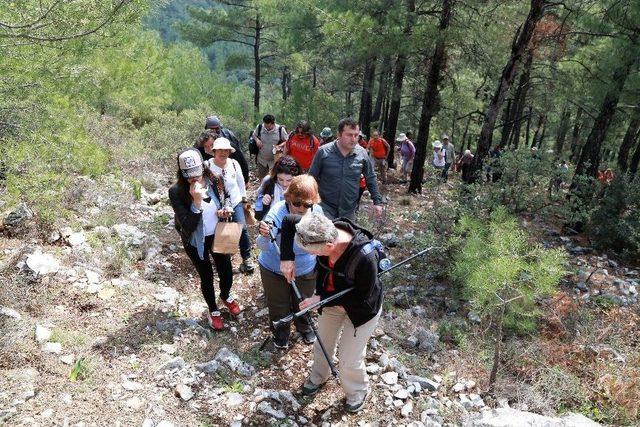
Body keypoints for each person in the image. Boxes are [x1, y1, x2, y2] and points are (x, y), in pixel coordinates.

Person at [278, 212, 383, 413]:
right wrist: (287, 258)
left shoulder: (365, 257)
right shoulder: (316, 226)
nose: (312, 257)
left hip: (361, 310)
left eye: (314, 254)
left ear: (328, 246)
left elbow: (362, 296)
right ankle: (319, 376)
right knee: (323, 344)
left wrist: (321, 299)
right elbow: (289, 221)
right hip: (330, 301)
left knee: (348, 360)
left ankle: (357, 391)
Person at [168, 148, 239, 331]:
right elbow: (188, 226)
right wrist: (196, 202)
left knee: (226, 270)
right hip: (195, 240)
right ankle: (213, 310)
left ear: (203, 168)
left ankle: (225, 295)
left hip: (218, 232)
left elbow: (227, 199)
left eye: (196, 174)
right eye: (188, 176)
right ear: (182, 174)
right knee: (206, 274)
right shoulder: (176, 191)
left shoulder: (214, 180)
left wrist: (226, 209)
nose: (194, 179)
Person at [256, 175, 323, 349]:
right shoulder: (278, 211)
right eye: (297, 203)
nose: (302, 208)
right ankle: (281, 333)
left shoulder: (317, 212)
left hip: (305, 266)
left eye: (308, 204)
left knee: (304, 300)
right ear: (288, 198)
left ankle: (304, 326)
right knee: (279, 303)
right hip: (274, 267)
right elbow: (261, 245)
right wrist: (265, 232)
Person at [309, 117, 384, 220]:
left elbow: (370, 177)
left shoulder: (362, 154)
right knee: (326, 235)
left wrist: (377, 201)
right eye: (349, 135)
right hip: (325, 208)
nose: (353, 139)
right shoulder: (323, 152)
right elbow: (311, 178)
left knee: (346, 236)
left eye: (356, 135)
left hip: (349, 210)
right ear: (339, 135)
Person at [206, 137, 255, 274]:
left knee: (242, 228)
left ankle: (247, 259)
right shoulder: (207, 166)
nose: (223, 153)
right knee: (219, 230)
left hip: (235, 201)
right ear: (214, 151)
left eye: (226, 150)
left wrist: (244, 200)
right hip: (216, 205)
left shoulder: (234, 164)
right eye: (220, 150)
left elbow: (240, 183)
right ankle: (223, 260)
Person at [254, 155, 301, 221]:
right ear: (275, 176)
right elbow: (258, 207)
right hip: (271, 221)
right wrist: (264, 202)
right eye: (280, 180)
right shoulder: (268, 182)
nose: (284, 184)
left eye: (289, 180)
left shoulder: (301, 186)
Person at [205, 116, 249, 183]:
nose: (214, 132)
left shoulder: (228, 136)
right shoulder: (203, 140)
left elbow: (240, 157)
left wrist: (245, 179)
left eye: (216, 129)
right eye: (211, 129)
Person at [251, 114, 288, 181]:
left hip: (274, 160)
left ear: (273, 123)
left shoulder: (280, 129)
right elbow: (254, 135)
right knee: (262, 180)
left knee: (274, 180)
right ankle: (263, 191)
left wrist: (279, 146)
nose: (266, 128)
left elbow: (287, 141)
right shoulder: (259, 127)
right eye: (265, 126)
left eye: (269, 126)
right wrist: (257, 140)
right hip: (261, 159)